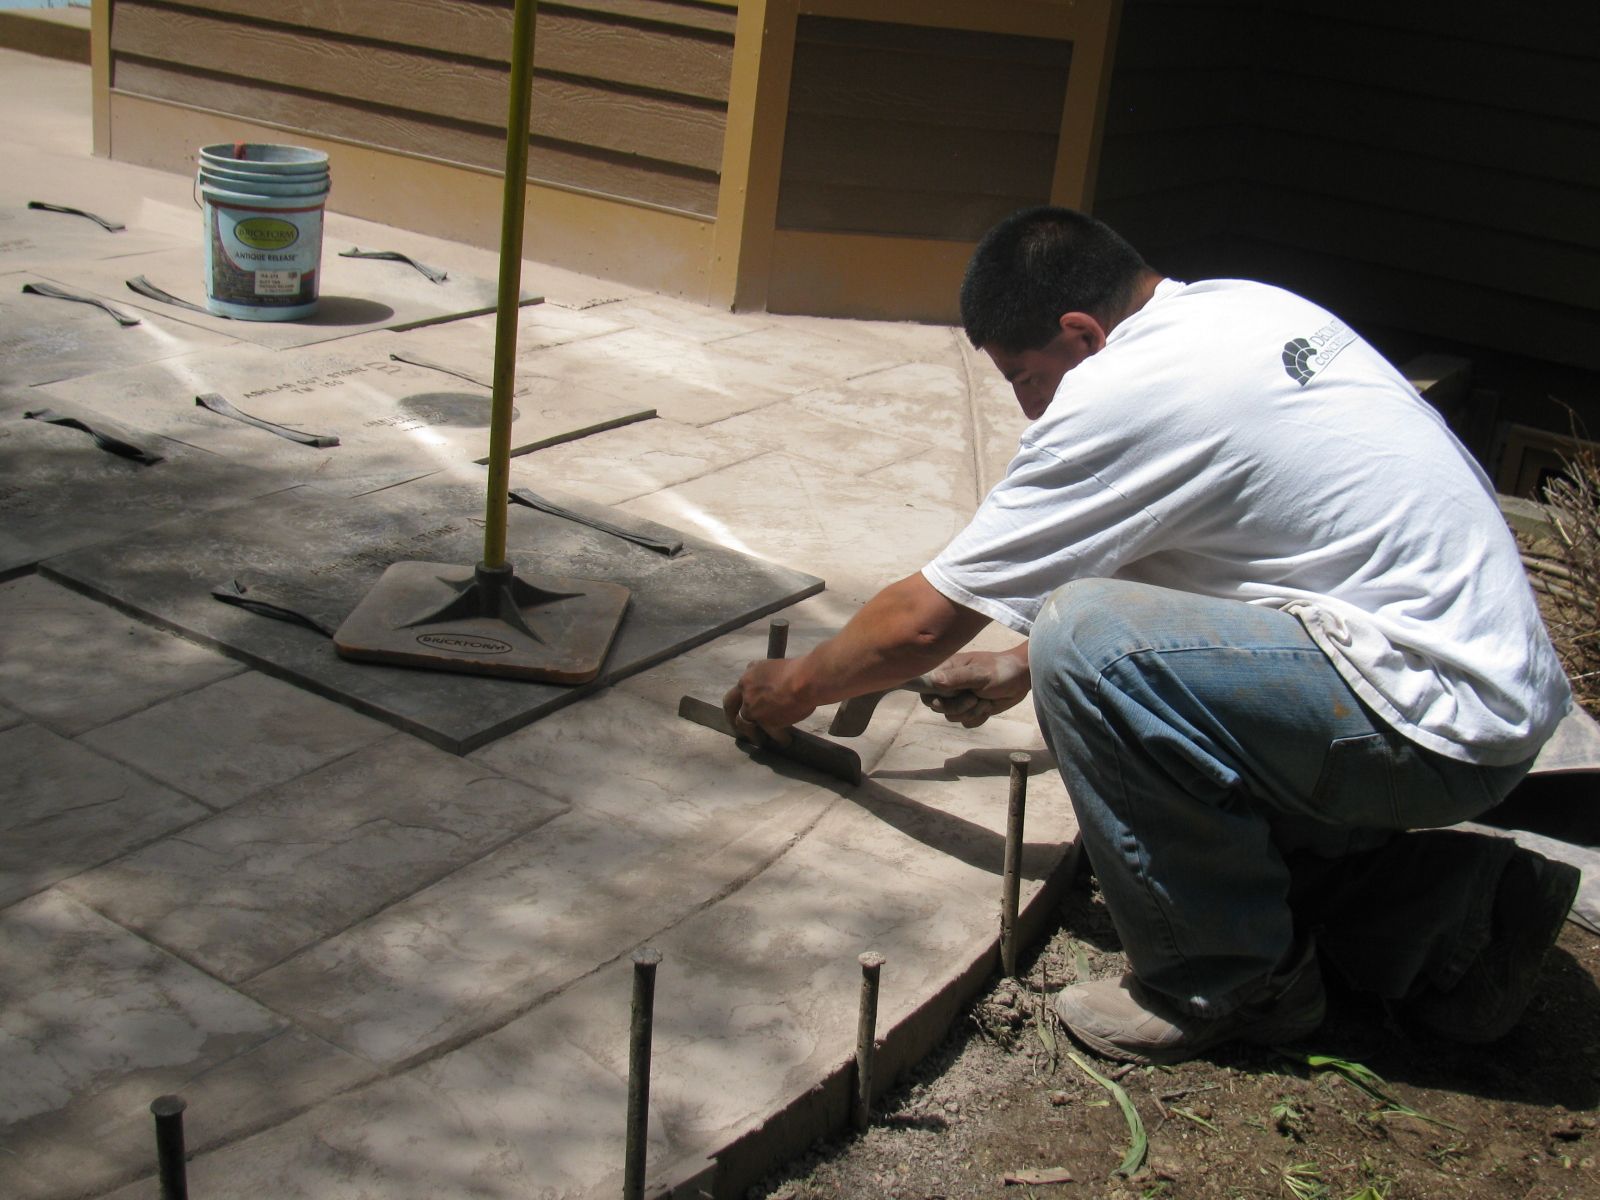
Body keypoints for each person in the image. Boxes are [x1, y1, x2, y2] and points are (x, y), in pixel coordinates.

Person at [723, 205, 1580, 1064]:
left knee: (1086, 640)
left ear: (1081, 334)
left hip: (1428, 721)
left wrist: (792, 689)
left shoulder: (1125, 392)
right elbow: (1201, 548)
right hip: (1483, 685)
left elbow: (924, 621)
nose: (1027, 409)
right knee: (1139, 766)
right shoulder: (1239, 306)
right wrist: (1023, 664)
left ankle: (1231, 985)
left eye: (1024, 375)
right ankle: (1464, 917)